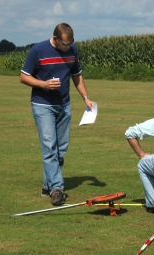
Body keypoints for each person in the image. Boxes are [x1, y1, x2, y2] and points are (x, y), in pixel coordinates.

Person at [20, 23, 95, 206]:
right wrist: (43, 84)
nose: (68, 48)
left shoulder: (72, 50)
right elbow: (23, 77)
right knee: (49, 147)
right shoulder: (38, 50)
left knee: (61, 149)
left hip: (64, 104)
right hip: (42, 105)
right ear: (55, 39)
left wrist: (86, 97)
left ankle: (47, 186)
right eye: (64, 44)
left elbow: (77, 75)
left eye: (70, 44)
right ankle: (57, 189)